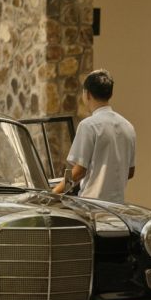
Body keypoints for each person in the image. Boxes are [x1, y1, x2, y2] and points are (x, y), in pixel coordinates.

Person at [52, 69, 135, 203]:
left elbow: (79, 171)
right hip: (118, 208)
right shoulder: (128, 126)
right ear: (111, 93)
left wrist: (55, 192)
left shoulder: (88, 125)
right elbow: (130, 172)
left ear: (87, 94)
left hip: (92, 206)